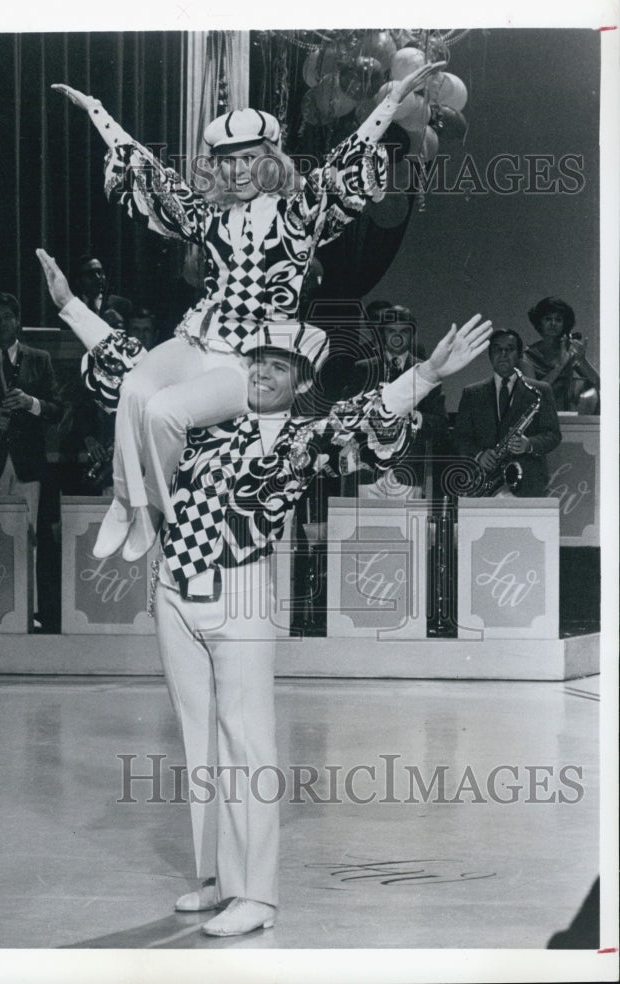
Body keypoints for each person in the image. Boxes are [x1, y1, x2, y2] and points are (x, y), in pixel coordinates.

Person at [37, 247, 491, 937]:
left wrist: (425, 374)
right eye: (254, 362)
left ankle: (260, 896)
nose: (262, 372)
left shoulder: (302, 440)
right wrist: (71, 306)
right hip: (175, 588)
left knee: (247, 742)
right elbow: (132, 363)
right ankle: (217, 877)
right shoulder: (203, 426)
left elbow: (366, 413)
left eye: (276, 366)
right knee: (198, 740)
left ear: (299, 379)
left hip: (241, 591)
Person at [52, 59, 445, 564]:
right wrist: (100, 114)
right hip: (201, 337)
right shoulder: (210, 214)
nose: (235, 171)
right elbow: (155, 179)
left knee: (166, 412)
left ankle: (153, 508)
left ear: (271, 160)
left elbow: (346, 161)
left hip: (251, 360)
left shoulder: (300, 214)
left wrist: (388, 107)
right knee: (133, 391)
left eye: (247, 160)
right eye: (226, 162)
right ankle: (126, 501)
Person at [0, 293, 62, 617]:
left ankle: (28, 613)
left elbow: (57, 410)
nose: (2, 323)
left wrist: (31, 403)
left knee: (30, 541)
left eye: (8, 316)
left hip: (28, 466)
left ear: (18, 320)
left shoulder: (40, 358)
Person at [344, 304, 448, 498]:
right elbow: (347, 418)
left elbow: (441, 422)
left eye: (404, 331)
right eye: (391, 330)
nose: (397, 336)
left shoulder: (427, 372)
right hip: (367, 472)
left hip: (408, 473)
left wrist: (416, 417)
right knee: (366, 527)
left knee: (408, 529)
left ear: (412, 334)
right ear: (383, 334)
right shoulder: (362, 370)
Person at [454, 328, 561, 498]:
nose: (503, 354)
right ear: (490, 355)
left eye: (510, 349)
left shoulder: (540, 391)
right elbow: (460, 437)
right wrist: (479, 454)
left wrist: (528, 444)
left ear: (519, 355)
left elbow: (553, 435)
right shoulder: (471, 393)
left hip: (528, 483)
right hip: (485, 483)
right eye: (497, 349)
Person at [521, 296, 600, 413]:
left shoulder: (569, 351)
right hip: (537, 417)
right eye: (548, 319)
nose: (553, 323)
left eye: (558, 320)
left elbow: (598, 383)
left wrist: (582, 360)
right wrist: (560, 366)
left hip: (566, 417)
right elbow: (532, 394)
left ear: (564, 324)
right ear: (539, 322)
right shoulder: (527, 355)